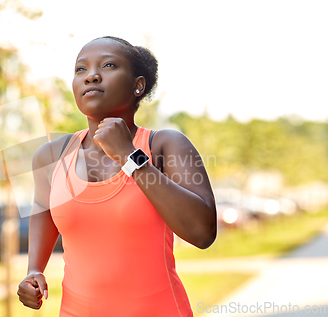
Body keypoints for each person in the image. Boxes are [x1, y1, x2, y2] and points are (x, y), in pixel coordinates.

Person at [17, 36, 217, 317]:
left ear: (138, 85)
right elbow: (44, 215)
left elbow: (202, 233)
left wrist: (130, 158)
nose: (91, 76)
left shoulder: (166, 145)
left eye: (108, 65)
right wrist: (33, 270)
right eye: (80, 69)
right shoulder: (51, 156)